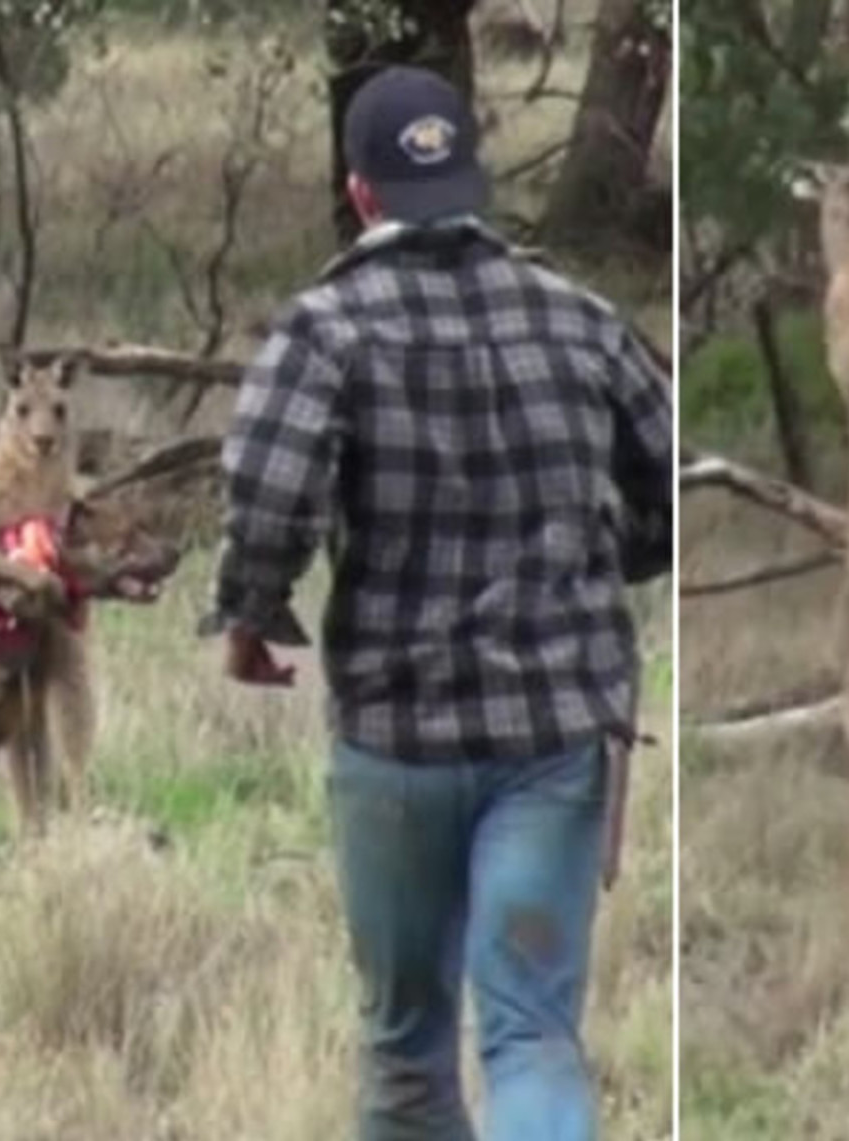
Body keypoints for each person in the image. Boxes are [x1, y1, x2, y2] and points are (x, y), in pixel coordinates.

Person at [201, 64, 673, 1139]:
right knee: (530, 1036)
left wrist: (250, 618)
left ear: (360, 192)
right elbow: (668, 490)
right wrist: (607, 566)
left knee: (407, 1046)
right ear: (472, 180)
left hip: (397, 742)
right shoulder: (582, 321)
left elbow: (267, 495)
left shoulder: (324, 330)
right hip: (554, 739)